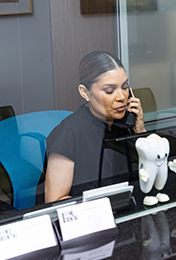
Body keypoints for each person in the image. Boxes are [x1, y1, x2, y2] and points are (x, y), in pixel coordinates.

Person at [44, 51, 145, 202]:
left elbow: (147, 175)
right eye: (110, 90)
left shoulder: (120, 124)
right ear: (85, 93)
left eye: (125, 87)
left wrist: (139, 132)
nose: (122, 97)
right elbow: (55, 200)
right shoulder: (68, 133)